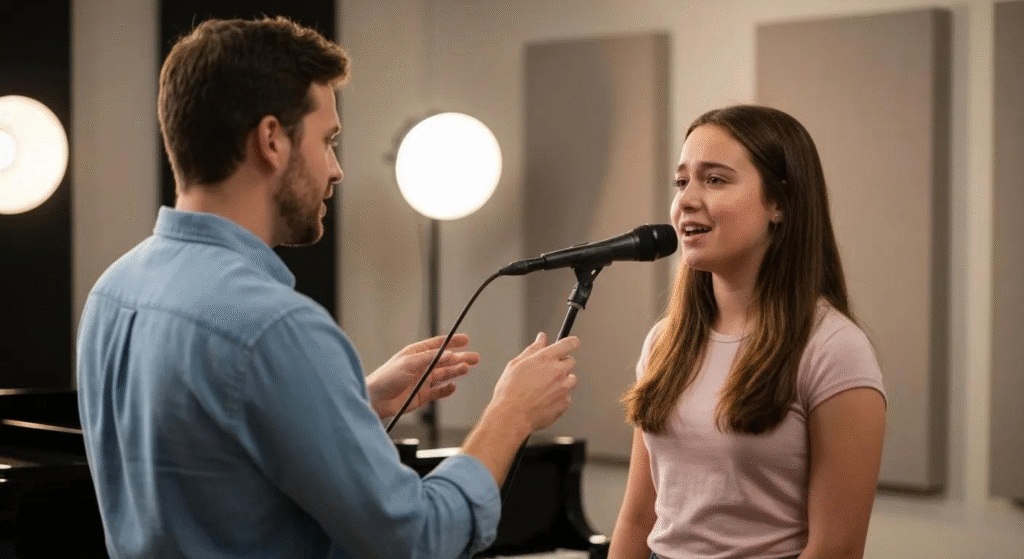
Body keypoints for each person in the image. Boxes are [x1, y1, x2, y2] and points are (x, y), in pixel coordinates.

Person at [75, 16, 580, 559]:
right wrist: (509, 415)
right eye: (327, 140)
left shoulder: (112, 291)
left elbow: (213, 454)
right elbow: (417, 538)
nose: (336, 169)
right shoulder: (276, 328)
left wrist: (356, 401)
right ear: (271, 139)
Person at [608, 105, 886, 559]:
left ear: (779, 202)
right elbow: (638, 517)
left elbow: (836, 549)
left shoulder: (834, 349)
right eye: (682, 182)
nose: (686, 201)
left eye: (714, 180)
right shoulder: (665, 341)